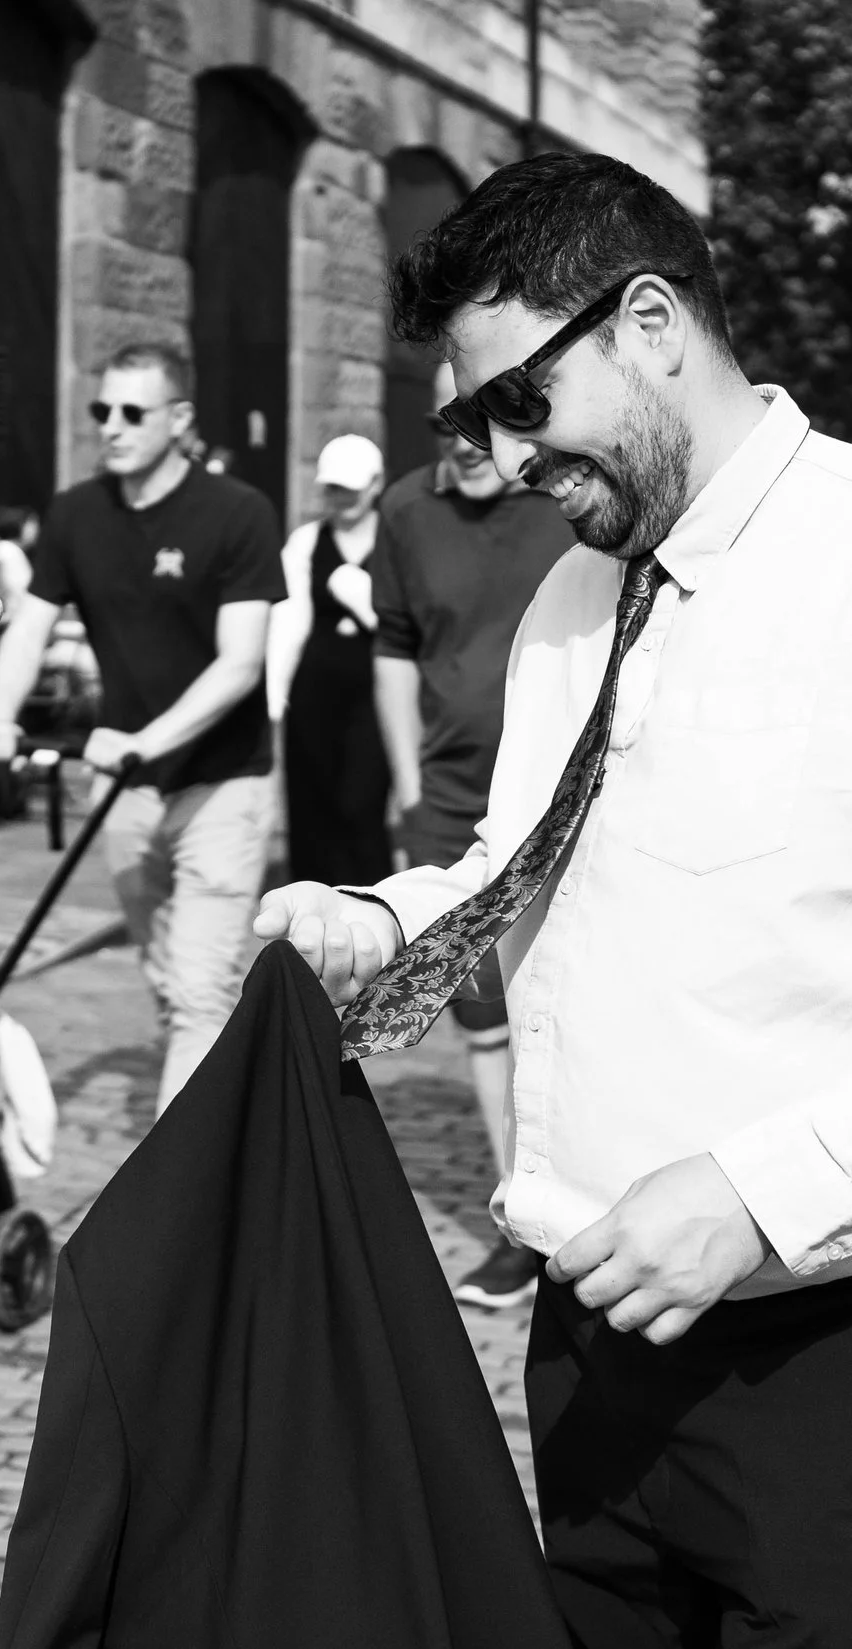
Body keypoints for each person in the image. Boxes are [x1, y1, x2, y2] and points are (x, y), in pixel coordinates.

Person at [257, 152, 852, 1649]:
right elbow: (524, 859)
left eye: (518, 402)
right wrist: (376, 919)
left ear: (650, 323)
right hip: (603, 1324)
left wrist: (766, 1191)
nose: (496, 456)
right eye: (461, 421)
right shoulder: (574, 590)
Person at [0, 342, 284, 1112]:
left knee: (200, 995)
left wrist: (150, 737)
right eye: (101, 410)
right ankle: (233, 1109)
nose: (111, 426)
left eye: (131, 413)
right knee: (169, 980)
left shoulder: (238, 513)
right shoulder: (76, 514)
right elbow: (29, 628)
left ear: (179, 420)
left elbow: (240, 663)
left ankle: (181, 1196)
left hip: (223, 785)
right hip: (125, 789)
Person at [370, 366, 573, 1308]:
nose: (468, 440)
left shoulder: (568, 495)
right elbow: (395, 648)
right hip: (452, 796)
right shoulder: (406, 511)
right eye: (449, 422)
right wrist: (409, 783)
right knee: (482, 1009)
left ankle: (594, 1193)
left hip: (570, 789)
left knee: (573, 996)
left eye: (487, 418)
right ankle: (528, 1222)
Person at [267, 433, 390, 887]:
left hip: (373, 693)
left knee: (362, 802)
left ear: (375, 483)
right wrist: (275, 697)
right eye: (334, 488)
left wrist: (362, 599)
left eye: (351, 488)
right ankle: (309, 899)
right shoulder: (306, 540)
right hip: (314, 691)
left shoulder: (394, 537)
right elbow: (289, 618)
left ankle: (368, 900)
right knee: (311, 799)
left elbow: (405, 618)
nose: (342, 499)